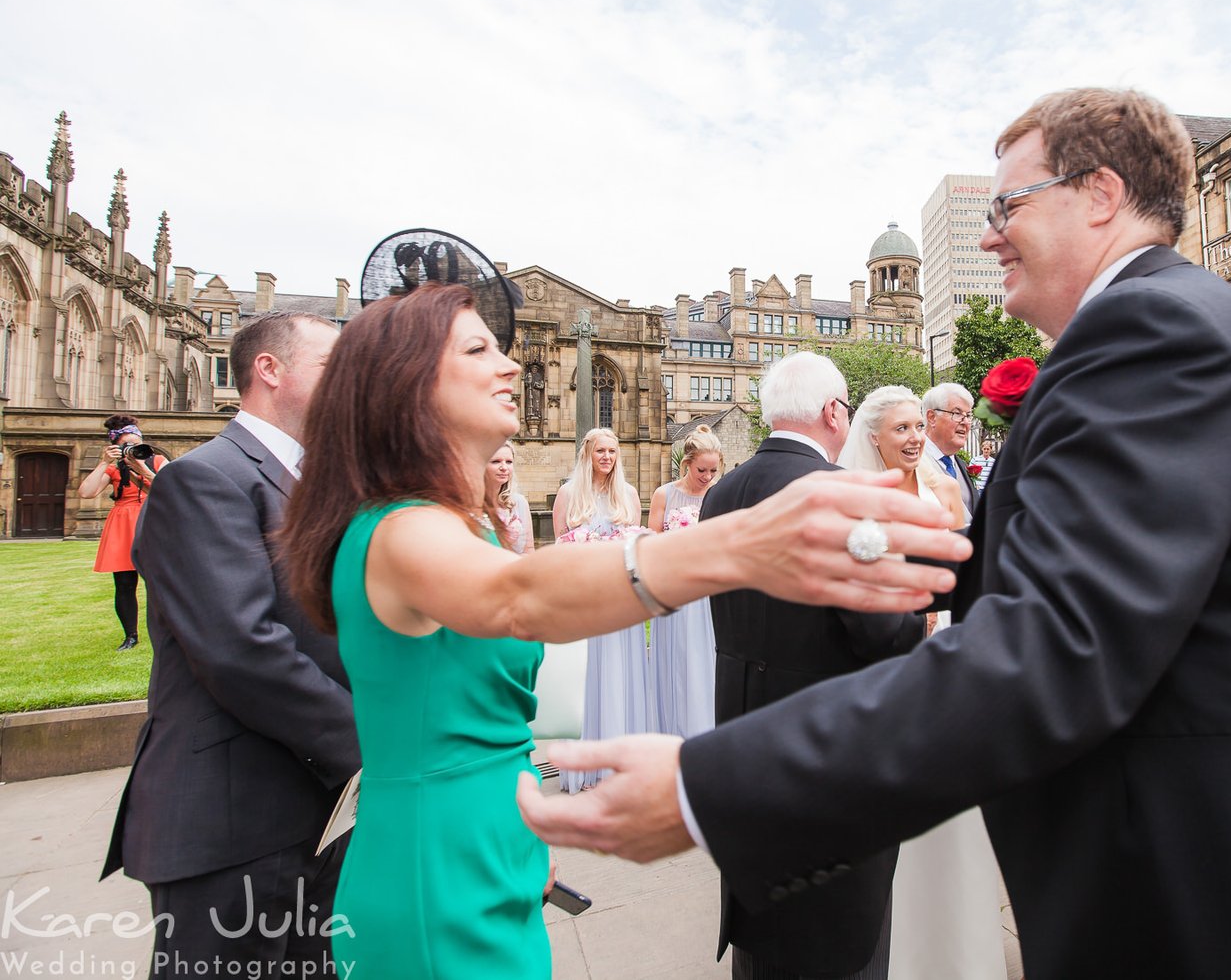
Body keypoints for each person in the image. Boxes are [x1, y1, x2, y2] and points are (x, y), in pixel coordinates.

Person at [519, 88, 1231, 979]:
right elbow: (1044, 583)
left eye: (1010, 201)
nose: (987, 232)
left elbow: (1057, 646)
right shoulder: (1153, 328)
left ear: (1102, 195)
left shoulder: (1155, 334)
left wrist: (708, 787)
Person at [278, 284, 965, 980]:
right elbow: (519, 596)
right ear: (406, 381)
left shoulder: (460, 521)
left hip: (499, 844)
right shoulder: (400, 528)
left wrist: (522, 835)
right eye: (480, 348)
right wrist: (737, 545)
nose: (511, 365)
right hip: (435, 869)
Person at [101, 312, 358, 980]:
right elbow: (242, 649)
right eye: (333, 365)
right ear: (269, 370)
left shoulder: (311, 485)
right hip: (232, 822)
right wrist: (371, 747)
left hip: (313, 813)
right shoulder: (206, 478)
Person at [699, 354, 926, 980]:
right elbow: (883, 632)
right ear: (833, 412)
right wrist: (921, 621)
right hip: (832, 747)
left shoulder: (722, 491)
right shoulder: (845, 496)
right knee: (843, 933)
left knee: (764, 923)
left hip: (744, 735)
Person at [836, 385, 1006, 980]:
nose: (913, 439)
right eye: (901, 429)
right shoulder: (856, 500)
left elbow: (970, 564)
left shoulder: (941, 491)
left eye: (917, 428)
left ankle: (953, 949)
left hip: (947, 654)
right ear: (873, 437)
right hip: (890, 658)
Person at [555, 427, 652, 790]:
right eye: (601, 452)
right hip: (584, 599)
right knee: (589, 678)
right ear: (587, 454)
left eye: (612, 452)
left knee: (621, 674)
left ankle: (620, 763)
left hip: (620, 600)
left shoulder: (626, 495)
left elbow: (634, 548)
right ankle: (587, 765)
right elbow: (561, 551)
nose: (607, 458)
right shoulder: (568, 494)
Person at [648, 424, 723, 738]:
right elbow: (651, 544)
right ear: (687, 463)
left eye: (713, 471)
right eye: (701, 470)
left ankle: (707, 731)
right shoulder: (664, 494)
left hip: (708, 592)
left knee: (706, 662)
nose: (707, 477)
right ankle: (672, 733)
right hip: (675, 590)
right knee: (675, 664)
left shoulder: (720, 494)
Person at [77, 414, 163, 651]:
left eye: (136, 444)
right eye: (126, 446)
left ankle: (166, 632)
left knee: (158, 583)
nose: (132, 449)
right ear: (116, 447)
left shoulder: (157, 462)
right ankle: (130, 636)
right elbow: (86, 493)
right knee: (124, 584)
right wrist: (104, 462)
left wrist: (142, 469)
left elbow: (168, 490)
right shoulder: (114, 469)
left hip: (151, 520)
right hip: (123, 523)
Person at [921, 382, 977, 517]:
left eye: (968, 415)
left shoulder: (962, 465)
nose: (965, 422)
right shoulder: (913, 463)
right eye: (957, 413)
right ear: (932, 417)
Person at [484, 441, 532, 554]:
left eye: (509, 462)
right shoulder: (468, 503)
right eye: (496, 461)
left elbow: (528, 549)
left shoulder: (519, 502)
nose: (504, 467)